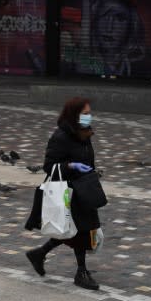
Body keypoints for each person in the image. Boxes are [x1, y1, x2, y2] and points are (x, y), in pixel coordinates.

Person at [25, 97, 101, 290]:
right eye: (84, 113)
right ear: (74, 114)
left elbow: (88, 159)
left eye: (89, 113)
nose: (88, 116)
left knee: (73, 229)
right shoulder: (61, 136)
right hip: (68, 191)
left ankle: (40, 253)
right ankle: (81, 272)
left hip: (83, 188)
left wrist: (91, 173)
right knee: (81, 230)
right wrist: (71, 165)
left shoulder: (84, 133)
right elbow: (49, 166)